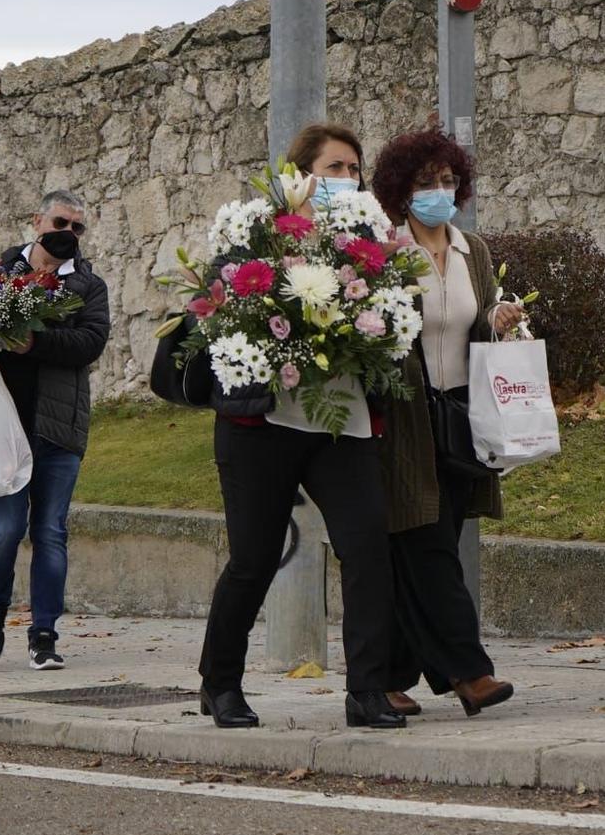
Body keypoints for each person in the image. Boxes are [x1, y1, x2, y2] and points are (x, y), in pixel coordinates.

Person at [193, 122, 405, 731]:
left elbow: (390, 316)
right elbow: (221, 305)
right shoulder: (254, 232)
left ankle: (367, 692)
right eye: (334, 167)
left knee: (367, 550)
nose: (346, 179)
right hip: (262, 422)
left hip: (343, 424)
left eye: (353, 169)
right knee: (254, 558)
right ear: (300, 173)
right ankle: (220, 682)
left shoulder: (371, 237)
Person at [367, 124, 522, 719]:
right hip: (404, 421)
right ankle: (470, 672)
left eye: (449, 180)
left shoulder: (472, 250)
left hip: (460, 418)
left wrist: (496, 321)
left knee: (430, 546)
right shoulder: (381, 252)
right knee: (426, 545)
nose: (440, 190)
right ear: (402, 190)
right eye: (427, 181)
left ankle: (387, 675)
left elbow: (473, 329)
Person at [0, 188, 112, 672]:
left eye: (77, 229)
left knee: (51, 532)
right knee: (5, 530)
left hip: (60, 428)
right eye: (61, 224)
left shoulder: (87, 286)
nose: (68, 236)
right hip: (4, 429)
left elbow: (89, 342)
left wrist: (30, 343)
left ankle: (44, 636)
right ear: (37, 220)